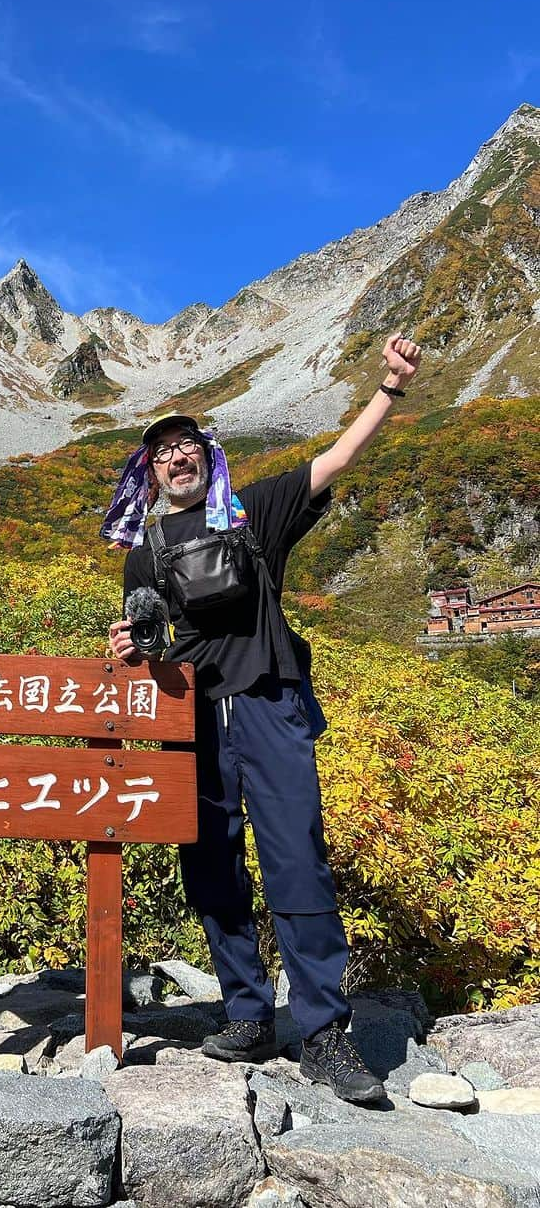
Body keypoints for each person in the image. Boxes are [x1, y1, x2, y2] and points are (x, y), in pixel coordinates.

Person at [106, 334, 423, 1104]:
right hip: (191, 717)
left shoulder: (254, 513)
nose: (177, 459)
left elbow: (336, 461)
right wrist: (125, 647)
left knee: (296, 858)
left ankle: (322, 1033)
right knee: (210, 862)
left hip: (270, 700)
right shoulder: (144, 549)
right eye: (163, 453)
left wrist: (391, 388)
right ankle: (247, 1015)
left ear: (207, 459)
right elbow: (142, 637)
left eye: (188, 448)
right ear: (148, 472)